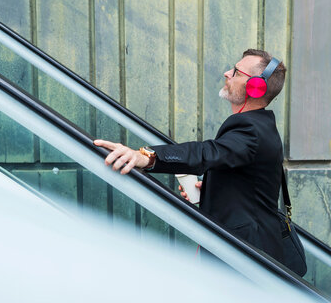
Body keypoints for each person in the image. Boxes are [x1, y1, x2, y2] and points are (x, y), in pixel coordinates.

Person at [94, 49, 287, 263]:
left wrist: (146, 157)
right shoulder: (261, 125)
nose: (227, 73)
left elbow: (206, 152)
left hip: (245, 256)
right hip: (251, 247)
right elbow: (250, 181)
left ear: (255, 87)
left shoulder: (250, 128)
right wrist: (215, 190)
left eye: (236, 72)